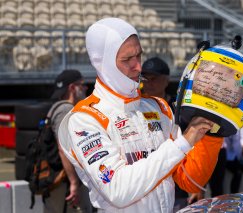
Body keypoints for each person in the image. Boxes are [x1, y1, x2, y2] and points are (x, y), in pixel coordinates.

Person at [58, 17, 223, 213]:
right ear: (103, 63)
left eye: (139, 55)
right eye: (127, 59)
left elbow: (190, 180)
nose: (138, 66)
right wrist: (183, 142)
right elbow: (118, 191)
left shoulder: (159, 107)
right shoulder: (84, 119)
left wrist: (212, 131)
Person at [141, 56, 189, 212]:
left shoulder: (180, 109)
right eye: (145, 78)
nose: (148, 82)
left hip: (177, 183)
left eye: (153, 78)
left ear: (167, 80)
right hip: (145, 184)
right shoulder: (134, 108)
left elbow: (191, 145)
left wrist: (196, 186)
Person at [46, 69, 92, 213]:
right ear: (73, 87)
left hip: (58, 179)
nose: (86, 89)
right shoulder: (66, 110)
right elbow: (63, 147)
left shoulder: (56, 107)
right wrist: (74, 182)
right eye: (83, 85)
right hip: (64, 181)